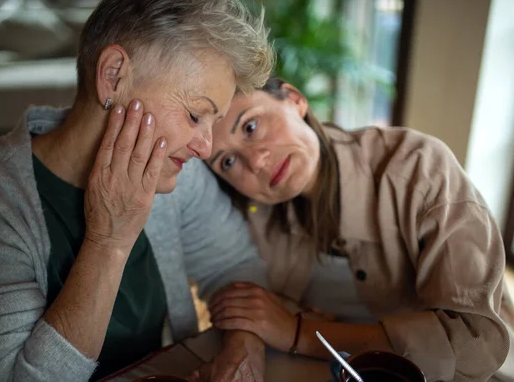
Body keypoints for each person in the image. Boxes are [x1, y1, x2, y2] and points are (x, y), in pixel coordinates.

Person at [0, 0, 275, 381]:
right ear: (113, 77)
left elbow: (235, 265)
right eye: (195, 115)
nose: (205, 147)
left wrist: (245, 343)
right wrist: (109, 241)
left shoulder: (173, 169)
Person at [206, 77, 514, 381]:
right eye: (229, 162)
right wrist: (246, 338)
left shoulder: (419, 169)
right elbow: (244, 298)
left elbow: (476, 345)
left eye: (251, 126)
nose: (256, 162)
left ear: (295, 99)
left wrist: (299, 334)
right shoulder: (255, 210)